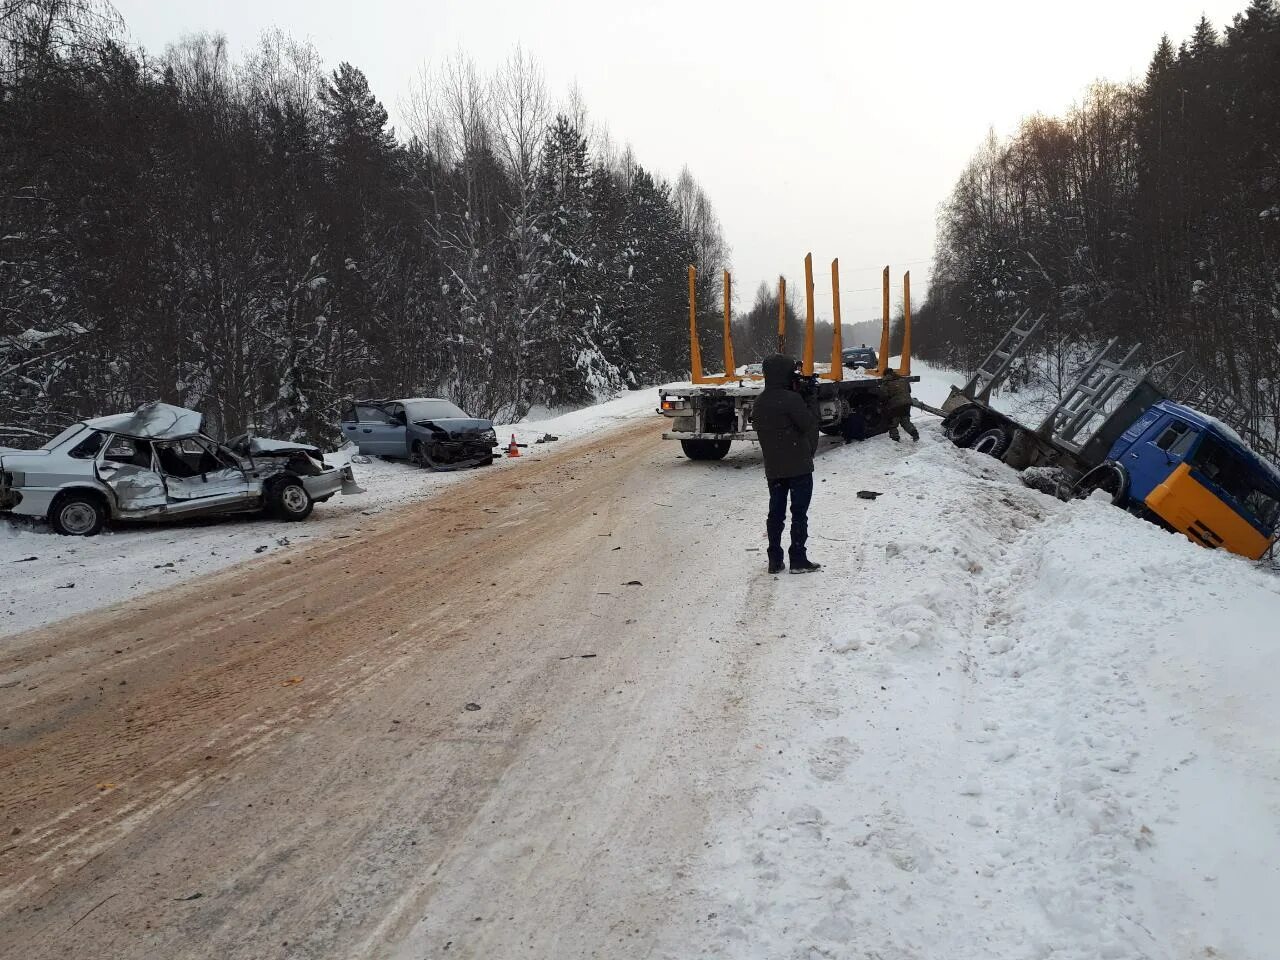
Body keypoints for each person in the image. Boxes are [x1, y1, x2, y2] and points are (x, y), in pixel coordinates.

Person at [750, 354, 822, 575]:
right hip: (799, 467)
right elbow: (809, 423)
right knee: (799, 513)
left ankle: (774, 560)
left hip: (774, 468)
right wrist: (809, 398)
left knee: (776, 514)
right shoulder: (792, 400)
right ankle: (798, 559)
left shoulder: (760, 402)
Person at [881, 368, 919, 442]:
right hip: (907, 403)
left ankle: (895, 439)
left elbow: (884, 395)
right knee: (905, 422)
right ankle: (915, 434)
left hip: (895, 405)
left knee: (893, 424)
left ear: (885, 374)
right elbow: (909, 390)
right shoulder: (903, 379)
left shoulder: (886, 382)